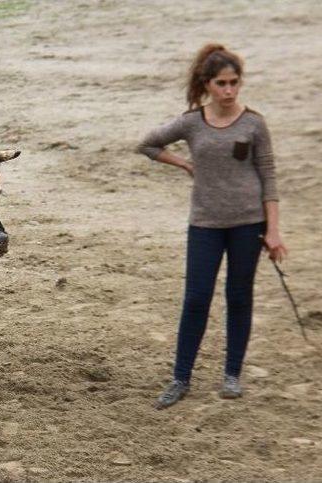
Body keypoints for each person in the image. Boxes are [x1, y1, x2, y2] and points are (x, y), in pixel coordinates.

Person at [136, 44, 288, 409]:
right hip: (204, 223)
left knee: (239, 296)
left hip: (248, 223)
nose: (230, 90)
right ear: (207, 84)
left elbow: (268, 176)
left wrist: (274, 230)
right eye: (222, 83)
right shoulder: (191, 122)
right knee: (196, 298)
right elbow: (147, 144)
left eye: (235, 82)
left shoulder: (254, 123)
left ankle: (231, 374)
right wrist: (185, 165)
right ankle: (180, 378)